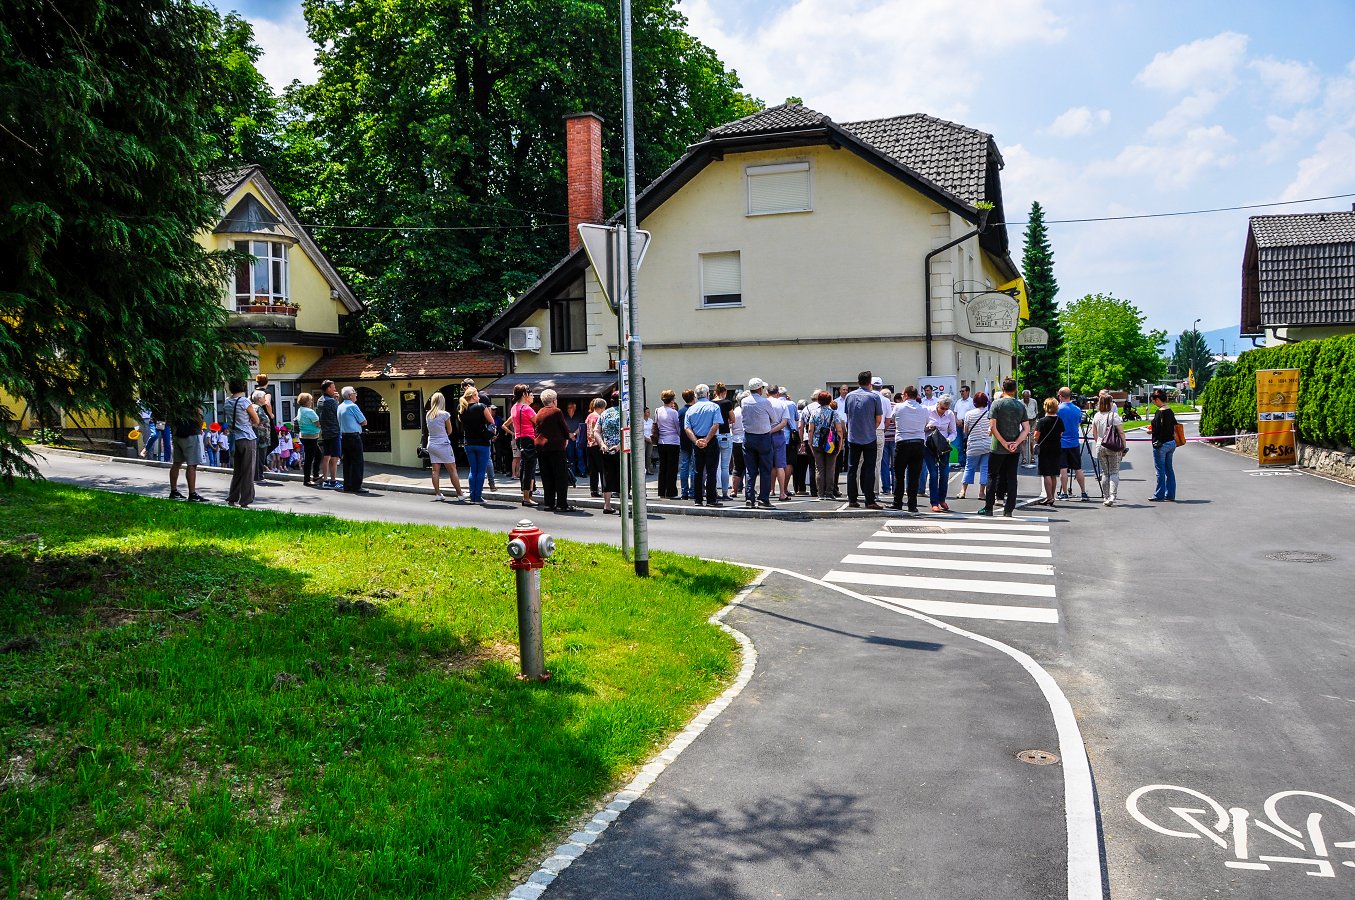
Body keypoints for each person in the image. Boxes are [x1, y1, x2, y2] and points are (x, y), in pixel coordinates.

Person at [979, 378, 1030, 518]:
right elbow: (1026, 428)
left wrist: (1003, 442)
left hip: (997, 447)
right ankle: (1009, 509)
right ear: (1015, 389)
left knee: (992, 475)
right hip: (1014, 448)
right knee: (1012, 477)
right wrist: (1016, 442)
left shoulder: (997, 403)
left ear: (1003, 388)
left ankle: (988, 507)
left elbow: (992, 426)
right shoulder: (1020, 406)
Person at [844, 370, 884, 509]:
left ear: (858, 381)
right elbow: (878, 419)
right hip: (869, 436)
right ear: (870, 383)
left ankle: (852, 499)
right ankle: (869, 500)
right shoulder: (874, 397)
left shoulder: (849, 396)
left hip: (853, 436)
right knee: (869, 469)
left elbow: (848, 416)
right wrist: (870, 427)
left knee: (852, 469)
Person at [740, 377, 783, 509]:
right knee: (765, 469)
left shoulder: (744, 401)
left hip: (748, 437)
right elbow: (774, 419)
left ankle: (749, 497)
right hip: (763, 437)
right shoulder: (765, 402)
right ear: (759, 389)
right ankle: (763, 499)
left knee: (750, 469)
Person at [533, 389, 575, 512]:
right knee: (560, 476)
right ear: (553, 400)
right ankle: (562, 504)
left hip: (541, 448)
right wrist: (568, 437)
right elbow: (563, 428)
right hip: (556, 447)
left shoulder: (539, 412)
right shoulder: (556, 411)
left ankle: (548, 503)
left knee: (547, 476)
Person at [684, 384, 723, 507]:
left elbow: (687, 428)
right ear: (708, 394)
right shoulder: (714, 407)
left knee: (698, 471)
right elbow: (716, 425)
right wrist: (706, 440)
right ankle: (711, 499)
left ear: (695, 395)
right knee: (711, 471)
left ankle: (698, 499)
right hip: (710, 441)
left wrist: (696, 441)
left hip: (697, 441)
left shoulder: (690, 409)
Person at [223, 379, 260, 508]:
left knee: (237, 470)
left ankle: (232, 497)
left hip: (235, 438)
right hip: (247, 437)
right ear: (243, 387)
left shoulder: (227, 402)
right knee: (248, 470)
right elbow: (256, 420)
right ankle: (245, 500)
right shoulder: (245, 401)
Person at [890, 385, 928, 512]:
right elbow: (926, 423)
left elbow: (892, 419)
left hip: (903, 442)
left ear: (905, 395)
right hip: (918, 442)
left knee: (899, 474)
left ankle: (897, 502)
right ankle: (912, 504)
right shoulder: (923, 408)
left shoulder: (898, 407)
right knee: (914, 475)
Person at [425, 391, 464, 501]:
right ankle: (460, 494)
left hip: (431, 443)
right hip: (443, 443)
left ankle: (438, 494)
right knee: (452, 469)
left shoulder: (428, 414)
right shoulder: (445, 414)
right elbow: (450, 430)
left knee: (435, 470)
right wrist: (443, 435)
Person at [460, 387, 496, 504]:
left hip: (469, 443)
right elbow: (492, 422)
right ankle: (477, 497)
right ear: (474, 396)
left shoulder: (462, 409)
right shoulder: (481, 407)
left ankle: (472, 496)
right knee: (481, 471)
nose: (479, 397)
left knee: (473, 470)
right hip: (482, 442)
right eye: (477, 395)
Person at [168, 400, 208, 502]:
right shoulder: (192, 399)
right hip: (191, 434)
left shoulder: (176, 398)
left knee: (176, 463)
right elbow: (198, 415)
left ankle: (174, 491)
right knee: (192, 464)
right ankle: (192, 494)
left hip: (178, 434)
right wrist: (200, 427)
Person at [1056, 387, 1091, 501]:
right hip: (1074, 442)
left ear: (1060, 395)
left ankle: (1065, 493)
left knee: (1063, 469)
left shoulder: (1058, 409)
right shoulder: (1077, 409)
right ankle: (1083, 492)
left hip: (1062, 442)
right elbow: (1079, 422)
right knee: (1078, 468)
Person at [924, 395, 958, 512]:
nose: (943, 410)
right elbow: (921, 428)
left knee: (944, 474)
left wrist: (949, 439)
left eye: (946, 409)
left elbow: (953, 432)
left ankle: (942, 499)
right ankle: (934, 502)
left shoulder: (950, 414)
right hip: (929, 446)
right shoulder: (928, 411)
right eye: (942, 408)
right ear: (938, 404)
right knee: (933, 474)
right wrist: (928, 427)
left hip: (943, 446)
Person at [807, 390, 843, 501]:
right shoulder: (834, 413)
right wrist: (840, 444)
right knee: (830, 468)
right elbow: (839, 430)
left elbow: (810, 429)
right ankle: (829, 492)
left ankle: (820, 493)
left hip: (817, 443)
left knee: (820, 469)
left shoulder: (814, 412)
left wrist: (810, 442)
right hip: (830, 443)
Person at [1092, 393, 1126, 506]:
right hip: (1112, 446)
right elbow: (1120, 432)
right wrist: (1123, 446)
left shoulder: (1096, 416)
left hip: (1100, 445)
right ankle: (1112, 495)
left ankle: (1105, 496)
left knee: (1105, 473)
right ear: (1109, 403)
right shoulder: (1113, 416)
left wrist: (1098, 442)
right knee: (1114, 471)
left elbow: (1094, 433)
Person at [507, 384, 538, 506]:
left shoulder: (514, 407)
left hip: (519, 438)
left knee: (525, 467)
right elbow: (538, 422)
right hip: (529, 438)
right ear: (524, 394)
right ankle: (526, 497)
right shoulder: (526, 408)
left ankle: (528, 494)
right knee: (529, 469)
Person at [1033, 397, 1065, 508]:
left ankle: (1049, 496)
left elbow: (1036, 436)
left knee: (1046, 473)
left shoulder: (1041, 421)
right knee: (1053, 473)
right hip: (1056, 448)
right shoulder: (1059, 420)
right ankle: (1052, 496)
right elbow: (1061, 434)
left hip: (1045, 449)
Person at [958, 391, 990, 501]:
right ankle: (981, 493)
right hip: (987, 444)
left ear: (974, 402)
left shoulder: (969, 414)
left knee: (969, 467)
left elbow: (965, 431)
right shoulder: (989, 414)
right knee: (985, 468)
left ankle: (963, 491)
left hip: (973, 444)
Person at [1149, 388, 1178, 502]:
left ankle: (1159, 494)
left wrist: (1150, 431)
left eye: (1153, 400)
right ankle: (1170, 494)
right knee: (1169, 469)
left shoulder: (1159, 412)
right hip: (1171, 443)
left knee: (1160, 470)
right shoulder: (1170, 411)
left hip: (1160, 444)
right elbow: (1174, 425)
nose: (1153, 402)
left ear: (1157, 399)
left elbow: (1156, 429)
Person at [595, 394, 623, 514]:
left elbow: (596, 431)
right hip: (621, 451)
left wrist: (602, 444)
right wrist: (619, 446)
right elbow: (629, 432)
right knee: (623, 477)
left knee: (607, 476)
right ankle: (623, 505)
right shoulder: (625, 413)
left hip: (606, 450)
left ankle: (607, 505)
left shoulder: (604, 414)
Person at [337, 386, 367, 493]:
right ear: (350, 396)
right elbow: (363, 421)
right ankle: (357, 486)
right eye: (354, 393)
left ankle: (348, 485)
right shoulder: (352, 406)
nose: (356, 395)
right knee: (357, 462)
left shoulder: (340, 406)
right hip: (354, 436)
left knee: (347, 462)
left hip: (344, 437)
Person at [653, 389, 681, 499]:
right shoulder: (674, 412)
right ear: (672, 400)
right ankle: (671, 492)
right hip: (673, 441)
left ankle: (661, 491)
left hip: (661, 441)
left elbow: (656, 424)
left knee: (662, 468)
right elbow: (677, 427)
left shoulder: (657, 410)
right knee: (672, 468)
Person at [316, 379, 342, 489]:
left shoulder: (320, 400)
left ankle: (325, 480)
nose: (335, 389)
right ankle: (332, 481)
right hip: (334, 431)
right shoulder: (331, 401)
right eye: (333, 387)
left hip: (326, 432)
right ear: (328, 389)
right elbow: (339, 412)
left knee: (326, 456)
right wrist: (337, 401)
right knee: (335, 458)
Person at [713, 382, 735, 500]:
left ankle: (714, 491)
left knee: (714, 466)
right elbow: (733, 418)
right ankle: (725, 492)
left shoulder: (711, 403)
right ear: (724, 392)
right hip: (725, 434)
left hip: (714, 434)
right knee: (725, 466)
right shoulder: (727, 403)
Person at [295, 392, 322, 486]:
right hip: (311, 436)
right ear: (306, 401)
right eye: (310, 400)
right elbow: (318, 423)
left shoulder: (300, 410)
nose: (311, 401)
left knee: (318, 455)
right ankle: (307, 480)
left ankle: (315, 475)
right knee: (309, 458)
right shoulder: (309, 411)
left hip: (304, 435)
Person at [677, 388, 696, 500]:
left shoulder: (681, 411)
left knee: (684, 467)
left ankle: (684, 492)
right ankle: (692, 491)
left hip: (683, 440)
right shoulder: (695, 409)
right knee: (694, 466)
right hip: (694, 439)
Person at [585, 396, 605, 497]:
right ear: (601, 407)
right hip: (597, 444)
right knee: (602, 468)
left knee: (593, 470)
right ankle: (605, 488)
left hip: (589, 444)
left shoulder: (589, 416)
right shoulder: (598, 417)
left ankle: (593, 490)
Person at [251, 390, 272, 484]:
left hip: (257, 434)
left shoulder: (253, 407)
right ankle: (259, 476)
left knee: (258, 456)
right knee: (260, 456)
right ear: (259, 399)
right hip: (261, 435)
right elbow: (263, 419)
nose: (265, 399)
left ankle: (257, 475)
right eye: (264, 397)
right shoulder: (258, 408)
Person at [879, 388, 895, 495]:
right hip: (895, 438)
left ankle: (886, 488)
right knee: (895, 465)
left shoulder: (879, 405)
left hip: (883, 436)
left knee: (883, 464)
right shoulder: (896, 406)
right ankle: (895, 487)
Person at [730, 392, 746, 498]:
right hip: (746, 439)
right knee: (750, 467)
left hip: (736, 440)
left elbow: (731, 424)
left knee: (737, 467)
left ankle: (734, 490)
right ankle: (750, 489)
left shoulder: (735, 411)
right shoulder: (748, 411)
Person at [1020, 390, 1039, 467]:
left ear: (1030, 396)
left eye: (1027, 397)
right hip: (1023, 422)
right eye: (1025, 397)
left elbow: (1036, 411)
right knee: (1023, 440)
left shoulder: (1034, 401)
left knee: (1032, 440)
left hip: (1032, 421)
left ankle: (1032, 457)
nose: (1026, 399)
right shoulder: (1020, 402)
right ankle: (1024, 458)